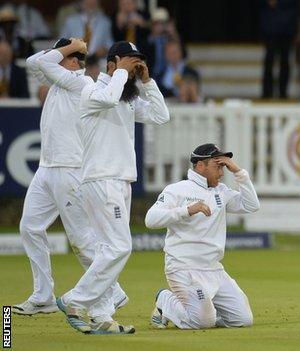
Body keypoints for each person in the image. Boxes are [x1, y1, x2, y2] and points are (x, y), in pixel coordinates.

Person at [56, 41, 170, 334]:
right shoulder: (91, 90)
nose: (133, 71)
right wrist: (121, 71)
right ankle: (74, 299)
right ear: (113, 63)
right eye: (131, 64)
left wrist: (146, 82)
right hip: (102, 179)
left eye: (137, 66)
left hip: (120, 180)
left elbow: (161, 116)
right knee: (121, 246)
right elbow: (107, 97)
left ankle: (102, 315)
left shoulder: (127, 97)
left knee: (108, 248)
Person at [13, 38, 128, 319]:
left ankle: (112, 290)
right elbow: (32, 63)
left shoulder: (82, 83)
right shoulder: (58, 81)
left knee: (82, 240)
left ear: (73, 60)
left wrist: (71, 48)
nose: (55, 57)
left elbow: (40, 62)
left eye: (61, 53)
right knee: (29, 228)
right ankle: (43, 296)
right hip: (47, 167)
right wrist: (67, 48)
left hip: (71, 169)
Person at [146, 143, 259, 330]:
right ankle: (165, 300)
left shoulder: (220, 192)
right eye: (218, 166)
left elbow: (251, 205)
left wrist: (239, 173)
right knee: (202, 322)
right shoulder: (178, 189)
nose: (221, 173)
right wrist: (187, 210)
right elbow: (151, 219)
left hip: (214, 269)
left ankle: (204, 308)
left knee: (243, 320)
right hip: (184, 268)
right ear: (200, 165)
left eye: (223, 167)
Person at [260, 0, 298, 99]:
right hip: (270, 27)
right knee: (269, 61)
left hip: (287, 27)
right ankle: (267, 92)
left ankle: (283, 92)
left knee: (284, 61)